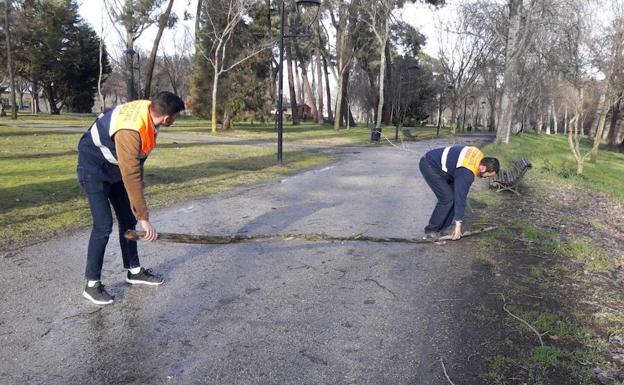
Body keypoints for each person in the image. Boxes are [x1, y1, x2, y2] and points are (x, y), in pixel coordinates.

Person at [77, 91, 185, 305]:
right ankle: (91, 284)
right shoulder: (130, 130)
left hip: (115, 168)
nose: (177, 118)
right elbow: (131, 173)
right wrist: (145, 218)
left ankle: (133, 271)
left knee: (127, 220)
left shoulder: (149, 113)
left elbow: (137, 158)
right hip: (94, 169)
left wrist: (138, 181)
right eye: (177, 115)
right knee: (103, 225)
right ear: (167, 117)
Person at [419, 145, 499, 241]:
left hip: (448, 169)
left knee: (453, 198)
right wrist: (458, 227)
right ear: (483, 168)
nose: (486, 178)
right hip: (430, 165)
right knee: (447, 198)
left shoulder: (479, 156)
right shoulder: (467, 173)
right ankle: (431, 231)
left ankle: (441, 230)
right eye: (487, 175)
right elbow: (461, 199)